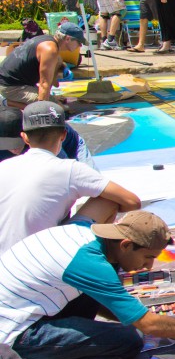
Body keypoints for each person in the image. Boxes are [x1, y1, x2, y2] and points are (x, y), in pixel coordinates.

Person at [0, 211, 175, 359]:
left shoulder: (86, 236)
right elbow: (149, 326)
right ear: (126, 245)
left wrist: (131, 315)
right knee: (127, 342)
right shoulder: (90, 264)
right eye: (148, 257)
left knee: (113, 313)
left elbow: (105, 301)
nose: (148, 266)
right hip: (14, 334)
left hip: (21, 309)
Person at [0, 101, 140, 254]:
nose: (13, 149)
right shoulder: (70, 169)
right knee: (107, 199)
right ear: (63, 135)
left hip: (5, 266)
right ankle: (92, 255)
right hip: (43, 259)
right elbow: (132, 201)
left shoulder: (5, 166)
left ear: (25, 137)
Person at [0, 22, 85, 108]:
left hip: (13, 81)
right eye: (79, 42)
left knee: (58, 60)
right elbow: (44, 84)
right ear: (68, 39)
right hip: (9, 87)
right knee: (56, 110)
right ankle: (5, 102)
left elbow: (50, 81)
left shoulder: (49, 40)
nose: (80, 45)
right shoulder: (50, 50)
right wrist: (44, 109)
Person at [0, 106, 95, 167]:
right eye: (6, 144)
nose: (14, 150)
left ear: (26, 136)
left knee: (92, 185)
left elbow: (62, 170)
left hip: (71, 148)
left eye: (16, 144)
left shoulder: (43, 138)